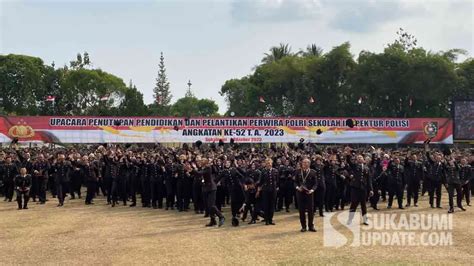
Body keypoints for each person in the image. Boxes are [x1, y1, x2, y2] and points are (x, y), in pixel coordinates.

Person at [194, 158, 225, 227]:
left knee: (211, 205)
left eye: (202, 161)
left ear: (206, 162)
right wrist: (190, 171)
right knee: (208, 206)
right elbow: (198, 175)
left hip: (211, 188)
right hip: (206, 189)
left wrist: (193, 169)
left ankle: (221, 216)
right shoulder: (203, 168)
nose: (200, 162)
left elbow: (199, 173)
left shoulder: (208, 168)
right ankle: (213, 220)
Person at [346, 151, 373, 225]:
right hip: (355, 188)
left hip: (363, 189)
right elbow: (349, 162)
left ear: (363, 159)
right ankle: (350, 219)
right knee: (353, 204)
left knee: (363, 205)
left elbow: (369, 180)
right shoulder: (355, 166)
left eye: (361, 158)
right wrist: (348, 155)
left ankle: (365, 220)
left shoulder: (366, 168)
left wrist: (371, 189)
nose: (359, 159)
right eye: (358, 158)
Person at [295, 158, 317, 232]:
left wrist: (312, 190)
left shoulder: (313, 172)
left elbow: (315, 184)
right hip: (300, 193)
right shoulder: (298, 171)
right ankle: (303, 226)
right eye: (304, 162)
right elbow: (295, 182)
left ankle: (311, 226)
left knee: (311, 210)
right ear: (302, 163)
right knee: (301, 210)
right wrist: (297, 188)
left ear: (309, 164)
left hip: (309, 193)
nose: (305, 164)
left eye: (307, 163)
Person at [257, 158, 279, 225]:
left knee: (272, 205)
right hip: (265, 190)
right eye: (267, 163)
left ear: (271, 163)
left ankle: (270, 219)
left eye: (269, 163)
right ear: (265, 164)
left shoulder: (275, 171)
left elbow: (277, 180)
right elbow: (260, 181)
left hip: (273, 190)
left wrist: (277, 187)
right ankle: (266, 220)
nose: (268, 164)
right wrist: (259, 188)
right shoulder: (263, 171)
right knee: (266, 205)